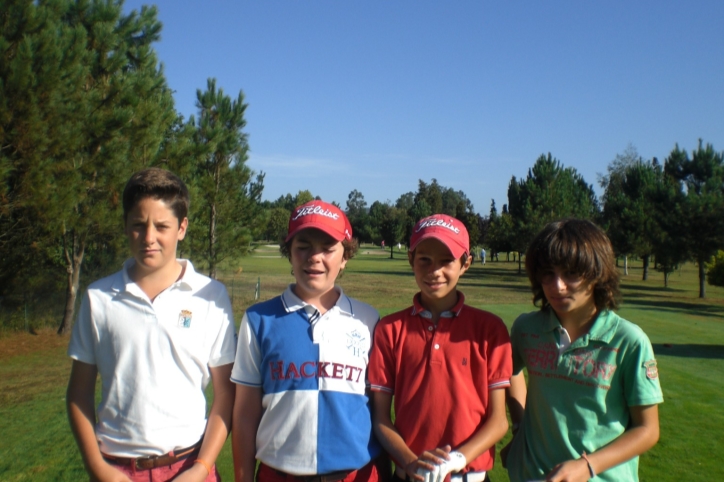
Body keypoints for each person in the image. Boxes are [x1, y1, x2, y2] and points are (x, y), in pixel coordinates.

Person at [66, 168, 236, 481]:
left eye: (162, 226)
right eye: (138, 225)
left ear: (181, 228)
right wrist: (98, 467)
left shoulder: (211, 296)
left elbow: (226, 395)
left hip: (189, 466)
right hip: (116, 469)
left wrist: (200, 469)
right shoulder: (98, 298)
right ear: (125, 225)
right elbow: (79, 393)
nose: (149, 238)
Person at [231, 200, 384, 482]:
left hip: (356, 475)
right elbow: (244, 414)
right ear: (289, 252)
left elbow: (379, 412)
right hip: (279, 475)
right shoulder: (258, 319)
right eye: (303, 246)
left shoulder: (367, 320)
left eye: (328, 248)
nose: (315, 257)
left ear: (346, 256)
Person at [504, 219, 663, 482]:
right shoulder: (526, 329)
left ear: (597, 273)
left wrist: (586, 466)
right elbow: (510, 372)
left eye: (571, 274)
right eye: (548, 274)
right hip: (531, 475)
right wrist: (520, 426)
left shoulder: (629, 341)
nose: (558, 286)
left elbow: (647, 429)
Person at [369, 214, 512, 482]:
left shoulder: (490, 330)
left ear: (465, 263)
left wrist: (457, 459)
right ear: (411, 260)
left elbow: (498, 421)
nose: (435, 271)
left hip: (469, 476)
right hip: (409, 475)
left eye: (446, 261)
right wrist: (411, 461)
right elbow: (380, 419)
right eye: (425, 260)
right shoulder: (389, 329)